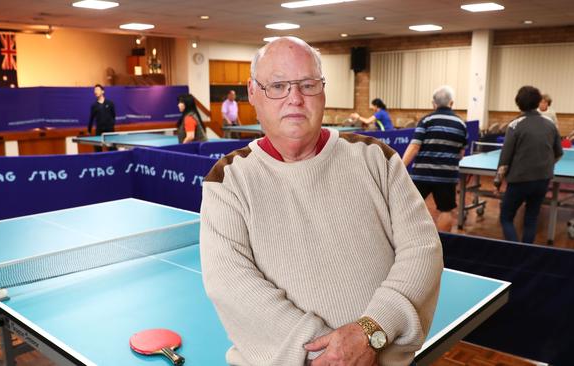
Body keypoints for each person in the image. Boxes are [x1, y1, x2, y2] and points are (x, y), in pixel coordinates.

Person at [200, 36, 442, 366]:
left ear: (323, 91)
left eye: (308, 84)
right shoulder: (227, 179)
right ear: (253, 92)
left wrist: (368, 333)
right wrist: (331, 354)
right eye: (278, 85)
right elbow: (232, 285)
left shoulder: (378, 159)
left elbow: (422, 249)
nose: (295, 98)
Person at [494, 86, 563, 243]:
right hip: (543, 180)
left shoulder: (515, 125)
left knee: (506, 217)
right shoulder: (550, 124)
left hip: (519, 180)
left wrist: (497, 182)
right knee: (531, 218)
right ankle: (526, 253)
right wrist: (544, 166)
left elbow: (505, 159)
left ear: (518, 103)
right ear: (539, 102)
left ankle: (516, 252)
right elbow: (558, 153)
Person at [401, 85, 468, 232]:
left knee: (410, 209)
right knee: (445, 210)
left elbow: (414, 147)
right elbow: (461, 153)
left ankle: (411, 240)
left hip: (422, 175)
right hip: (446, 176)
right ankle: (444, 245)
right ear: (452, 103)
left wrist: (399, 166)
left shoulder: (426, 121)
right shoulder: (461, 124)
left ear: (434, 104)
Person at [87, 84, 116, 152]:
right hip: (99, 131)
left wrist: (111, 125)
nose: (95, 92)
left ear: (103, 91)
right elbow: (91, 119)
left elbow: (113, 115)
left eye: (97, 90)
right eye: (94, 90)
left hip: (109, 131)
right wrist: (89, 130)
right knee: (97, 150)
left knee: (112, 149)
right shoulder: (94, 106)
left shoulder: (110, 103)